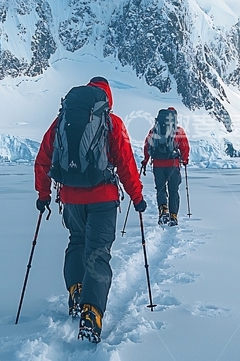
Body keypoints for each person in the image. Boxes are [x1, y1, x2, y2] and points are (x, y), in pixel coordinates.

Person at [34, 76, 146, 344]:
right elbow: (126, 164)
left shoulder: (62, 120)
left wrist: (43, 194)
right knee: (98, 253)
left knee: (77, 243)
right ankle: (92, 313)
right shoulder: (111, 122)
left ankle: (76, 290)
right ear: (106, 97)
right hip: (103, 198)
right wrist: (137, 196)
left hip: (71, 198)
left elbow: (43, 158)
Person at [141, 107, 190, 226]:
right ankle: (173, 216)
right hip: (173, 165)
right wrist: (184, 160)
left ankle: (163, 211)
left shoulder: (154, 131)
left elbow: (147, 146)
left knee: (161, 189)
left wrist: (145, 161)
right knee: (173, 190)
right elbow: (185, 147)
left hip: (158, 165)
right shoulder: (178, 131)